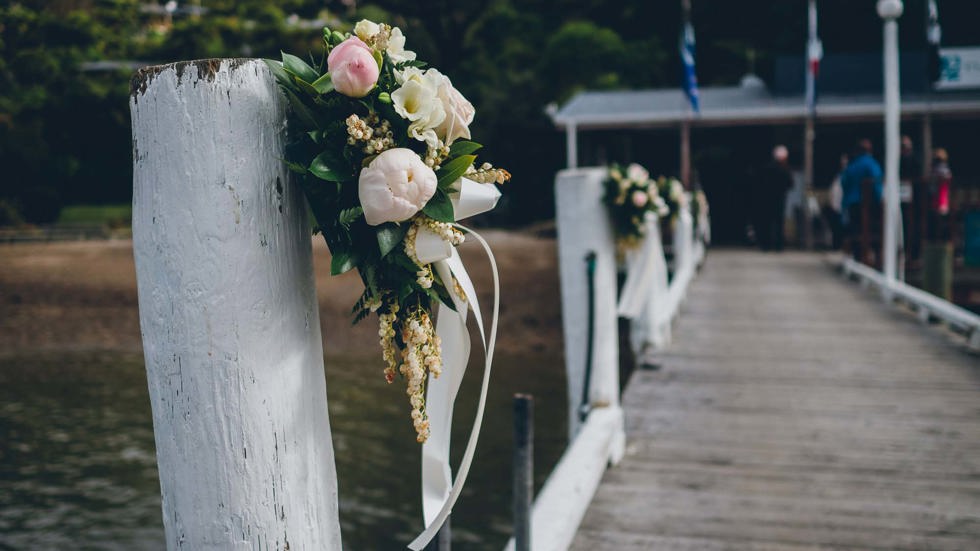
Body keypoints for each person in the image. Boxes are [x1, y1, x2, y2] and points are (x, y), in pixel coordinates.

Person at [840, 139, 883, 260]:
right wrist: (879, 200)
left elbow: (844, 183)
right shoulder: (871, 164)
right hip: (869, 204)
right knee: (872, 233)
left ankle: (858, 258)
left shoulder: (851, 166)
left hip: (852, 204)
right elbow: (877, 183)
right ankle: (874, 259)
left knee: (855, 233)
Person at [757, 145, 794, 251]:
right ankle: (778, 246)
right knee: (778, 222)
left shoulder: (767, 168)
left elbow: (761, 184)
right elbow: (790, 184)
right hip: (779, 199)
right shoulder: (785, 169)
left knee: (767, 222)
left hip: (767, 199)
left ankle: (766, 245)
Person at [927, 147, 952, 241]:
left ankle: (943, 241)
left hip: (941, 198)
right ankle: (937, 241)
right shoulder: (935, 170)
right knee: (936, 222)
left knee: (941, 222)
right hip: (936, 198)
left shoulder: (943, 170)